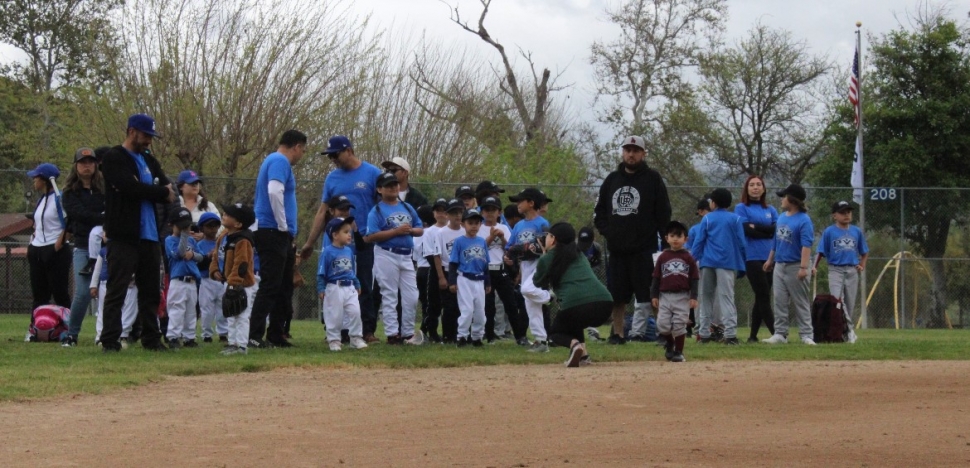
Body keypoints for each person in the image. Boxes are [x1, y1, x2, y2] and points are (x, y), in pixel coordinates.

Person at [99, 113, 177, 352]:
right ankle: (110, 340)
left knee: (151, 291)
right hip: (124, 235)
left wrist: (155, 190)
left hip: (150, 236)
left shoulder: (148, 159)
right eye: (145, 135)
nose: (148, 141)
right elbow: (129, 188)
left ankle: (151, 339)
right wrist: (157, 191)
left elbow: (168, 188)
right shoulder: (114, 157)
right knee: (118, 289)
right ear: (132, 131)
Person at [301, 135, 382, 343]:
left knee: (363, 284)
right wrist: (310, 242)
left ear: (349, 150)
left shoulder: (372, 173)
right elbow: (322, 212)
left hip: (362, 240)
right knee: (333, 286)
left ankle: (367, 330)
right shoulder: (332, 178)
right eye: (330, 156)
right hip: (335, 243)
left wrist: (378, 234)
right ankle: (336, 332)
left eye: (335, 154)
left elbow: (381, 207)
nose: (333, 159)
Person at [593, 135, 672, 345]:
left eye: (636, 150)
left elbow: (663, 213)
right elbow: (599, 211)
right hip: (618, 250)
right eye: (627, 150)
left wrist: (665, 245)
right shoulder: (612, 180)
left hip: (644, 249)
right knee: (617, 297)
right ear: (622, 152)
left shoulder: (653, 178)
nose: (631, 154)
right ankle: (617, 334)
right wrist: (608, 231)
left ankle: (664, 334)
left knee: (651, 294)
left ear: (643, 154)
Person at [250, 130, 306, 349]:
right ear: (297, 147)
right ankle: (254, 335)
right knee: (271, 285)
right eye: (303, 150)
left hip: (280, 234)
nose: (302, 155)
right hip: (272, 231)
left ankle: (276, 333)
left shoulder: (276, 161)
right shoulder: (279, 160)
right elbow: (274, 191)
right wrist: (282, 226)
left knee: (284, 285)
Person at [533, 222, 613, 367]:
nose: (546, 238)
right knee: (574, 322)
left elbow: (537, 282)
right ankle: (583, 356)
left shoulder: (548, 258)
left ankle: (574, 344)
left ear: (554, 239)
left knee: (555, 333)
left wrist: (544, 256)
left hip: (576, 306)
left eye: (549, 235)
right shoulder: (579, 254)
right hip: (605, 304)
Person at [364, 172, 424, 344]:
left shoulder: (406, 207)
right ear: (379, 189)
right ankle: (392, 334)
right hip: (386, 253)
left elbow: (420, 228)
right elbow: (372, 235)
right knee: (390, 295)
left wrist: (411, 231)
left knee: (412, 296)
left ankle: (407, 332)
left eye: (395, 184)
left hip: (406, 255)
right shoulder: (376, 210)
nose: (393, 187)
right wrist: (396, 232)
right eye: (388, 185)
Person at [61, 149, 106, 346]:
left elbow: (112, 209)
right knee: (83, 292)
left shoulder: (105, 189)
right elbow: (80, 214)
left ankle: (108, 333)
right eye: (82, 162)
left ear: (96, 164)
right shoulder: (70, 193)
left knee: (108, 292)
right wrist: (103, 217)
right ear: (76, 166)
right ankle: (72, 334)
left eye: (90, 161)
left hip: (106, 247)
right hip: (82, 247)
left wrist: (103, 218)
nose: (86, 165)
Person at [691, 188, 746, 345]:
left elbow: (699, 242)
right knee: (727, 298)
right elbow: (742, 243)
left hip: (707, 263)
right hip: (727, 264)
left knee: (706, 298)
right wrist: (742, 265)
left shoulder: (707, 219)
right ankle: (730, 335)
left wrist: (690, 262)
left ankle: (703, 334)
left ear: (713, 202)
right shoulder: (735, 219)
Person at [763, 184, 816, 345]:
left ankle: (806, 334)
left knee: (800, 301)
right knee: (779, 300)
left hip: (796, 265)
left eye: (784, 197)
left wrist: (803, 267)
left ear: (792, 200)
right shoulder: (782, 217)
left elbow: (806, 245)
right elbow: (776, 241)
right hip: (780, 264)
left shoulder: (804, 220)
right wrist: (770, 259)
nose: (782, 200)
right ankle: (780, 333)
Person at [505, 187, 552, 353]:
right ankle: (541, 341)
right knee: (531, 305)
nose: (517, 204)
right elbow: (510, 246)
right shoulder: (518, 225)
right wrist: (508, 256)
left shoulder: (542, 224)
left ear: (531, 203)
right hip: (524, 266)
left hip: (539, 263)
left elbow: (548, 245)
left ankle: (551, 297)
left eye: (520, 201)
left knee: (526, 290)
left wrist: (530, 247)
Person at [734, 175, 778, 343]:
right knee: (763, 294)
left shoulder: (771, 209)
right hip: (752, 257)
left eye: (759, 184)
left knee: (762, 296)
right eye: (752, 185)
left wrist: (758, 227)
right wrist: (765, 230)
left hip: (770, 257)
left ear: (764, 188)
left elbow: (776, 229)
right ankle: (777, 333)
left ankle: (753, 336)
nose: (755, 187)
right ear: (747, 188)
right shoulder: (741, 208)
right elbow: (747, 230)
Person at [479, 195, 526, 344]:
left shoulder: (504, 228)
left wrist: (503, 239)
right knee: (488, 305)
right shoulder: (479, 229)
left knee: (510, 304)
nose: (490, 213)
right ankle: (490, 336)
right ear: (482, 212)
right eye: (487, 210)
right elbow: (478, 249)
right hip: (486, 270)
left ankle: (519, 336)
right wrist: (491, 237)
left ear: (499, 213)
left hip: (501, 268)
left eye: (493, 210)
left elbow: (511, 249)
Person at [212, 202, 258, 355]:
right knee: (230, 314)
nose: (224, 215)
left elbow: (242, 264)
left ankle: (242, 346)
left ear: (238, 224)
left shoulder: (242, 240)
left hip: (242, 284)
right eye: (225, 213)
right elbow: (216, 254)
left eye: (229, 215)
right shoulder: (224, 235)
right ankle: (232, 343)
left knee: (242, 315)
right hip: (228, 281)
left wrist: (234, 283)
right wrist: (214, 270)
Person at [26, 163, 72, 312]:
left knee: (60, 293)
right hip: (37, 250)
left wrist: (56, 246)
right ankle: (36, 329)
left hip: (55, 250)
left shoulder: (59, 199)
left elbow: (68, 225)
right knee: (39, 295)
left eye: (36, 177)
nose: (34, 180)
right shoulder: (41, 200)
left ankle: (65, 328)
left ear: (45, 179)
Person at [652, 221, 700, 362]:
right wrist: (654, 295)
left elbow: (695, 279)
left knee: (679, 324)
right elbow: (656, 277)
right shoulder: (663, 257)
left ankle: (679, 352)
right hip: (665, 296)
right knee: (662, 325)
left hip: (682, 296)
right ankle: (670, 343)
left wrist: (694, 296)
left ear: (686, 239)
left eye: (679, 236)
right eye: (672, 236)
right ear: (666, 238)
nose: (675, 239)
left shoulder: (688, 258)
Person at [318, 216, 368, 352]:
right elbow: (321, 273)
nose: (349, 234)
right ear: (335, 235)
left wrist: (357, 283)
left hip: (349, 286)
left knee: (355, 312)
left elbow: (351, 271)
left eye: (349, 231)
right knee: (335, 316)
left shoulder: (348, 251)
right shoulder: (327, 252)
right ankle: (334, 340)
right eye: (345, 232)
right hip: (334, 287)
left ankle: (356, 338)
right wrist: (321, 288)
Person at [814, 201, 869, 323]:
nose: (846, 215)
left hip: (852, 270)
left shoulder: (856, 231)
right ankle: (841, 327)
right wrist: (814, 267)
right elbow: (820, 251)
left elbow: (864, 252)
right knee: (837, 300)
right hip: (835, 270)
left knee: (850, 303)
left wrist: (862, 264)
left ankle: (847, 329)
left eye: (848, 212)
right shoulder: (829, 231)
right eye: (842, 212)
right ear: (834, 216)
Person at [448, 208, 491, 347]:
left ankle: (477, 337)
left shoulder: (482, 241)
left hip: (479, 280)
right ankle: (462, 337)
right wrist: (452, 281)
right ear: (463, 224)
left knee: (480, 312)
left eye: (477, 223)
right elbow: (453, 263)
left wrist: (487, 282)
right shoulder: (459, 241)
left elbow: (486, 264)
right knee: (467, 310)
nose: (473, 226)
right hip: (464, 279)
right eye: (470, 222)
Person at [164, 207, 204, 349]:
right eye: (181, 226)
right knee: (177, 309)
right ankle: (173, 337)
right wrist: (185, 236)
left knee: (191, 311)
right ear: (171, 225)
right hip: (178, 281)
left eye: (187, 226)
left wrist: (192, 255)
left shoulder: (192, 242)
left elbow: (201, 257)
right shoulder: (170, 240)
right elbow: (179, 253)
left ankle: (189, 338)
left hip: (192, 281)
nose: (185, 229)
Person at [89, 233, 138, 346]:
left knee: (128, 308)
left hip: (125, 282)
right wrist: (93, 285)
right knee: (103, 310)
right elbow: (97, 270)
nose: (104, 236)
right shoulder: (103, 251)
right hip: (104, 283)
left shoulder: (126, 249)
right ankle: (100, 336)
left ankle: (123, 335)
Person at [196, 212, 227, 343]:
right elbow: (199, 264)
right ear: (202, 228)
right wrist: (209, 257)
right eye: (209, 226)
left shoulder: (221, 242)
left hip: (220, 280)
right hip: (206, 280)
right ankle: (207, 334)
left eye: (215, 225)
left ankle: (223, 333)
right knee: (206, 308)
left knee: (222, 307)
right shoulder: (199, 245)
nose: (212, 229)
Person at [421, 198, 449, 343]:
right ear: (433, 213)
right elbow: (429, 254)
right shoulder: (429, 232)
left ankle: (449, 333)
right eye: (438, 211)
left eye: (444, 211)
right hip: (434, 270)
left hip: (452, 270)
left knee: (450, 305)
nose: (441, 214)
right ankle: (432, 332)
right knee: (434, 304)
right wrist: (441, 272)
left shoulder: (452, 229)